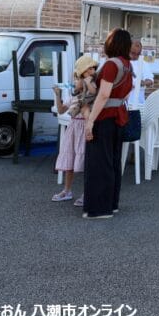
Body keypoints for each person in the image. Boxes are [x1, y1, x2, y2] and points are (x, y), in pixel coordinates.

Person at [83, 28, 133, 220]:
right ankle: (111, 205)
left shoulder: (111, 65)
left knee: (99, 163)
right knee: (113, 162)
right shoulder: (128, 65)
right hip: (120, 116)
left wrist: (91, 121)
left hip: (105, 118)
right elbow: (128, 91)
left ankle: (99, 209)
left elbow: (103, 94)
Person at [50, 56, 98, 207]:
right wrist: (57, 95)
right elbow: (61, 109)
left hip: (85, 128)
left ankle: (87, 193)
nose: (75, 83)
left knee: (85, 163)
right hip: (73, 129)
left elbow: (94, 91)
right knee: (69, 161)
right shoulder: (74, 96)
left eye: (77, 80)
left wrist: (87, 79)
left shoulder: (90, 94)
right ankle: (67, 190)